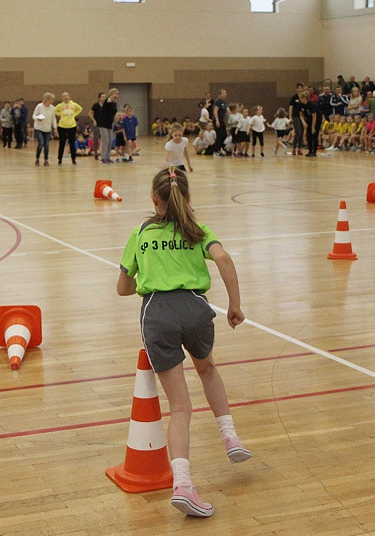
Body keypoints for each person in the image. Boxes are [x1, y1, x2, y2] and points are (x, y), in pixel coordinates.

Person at [116, 167, 251, 518]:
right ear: (188, 198)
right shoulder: (197, 229)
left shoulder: (140, 233)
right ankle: (230, 437)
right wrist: (235, 305)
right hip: (195, 309)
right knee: (207, 370)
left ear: (153, 199)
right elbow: (223, 258)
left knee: (180, 407)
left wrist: (146, 278)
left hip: (158, 315)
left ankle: (183, 485)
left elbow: (122, 288)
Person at [54, 92, 83, 166]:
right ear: (62, 98)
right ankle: (60, 159)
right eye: (64, 96)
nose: (65, 97)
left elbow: (80, 109)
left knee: (72, 143)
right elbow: (54, 110)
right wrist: (60, 114)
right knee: (62, 143)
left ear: (69, 96)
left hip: (72, 126)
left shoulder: (73, 104)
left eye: (66, 96)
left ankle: (73, 159)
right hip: (62, 126)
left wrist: (74, 115)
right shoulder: (60, 105)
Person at [32, 92, 57, 166]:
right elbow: (34, 116)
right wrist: (37, 118)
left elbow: (53, 118)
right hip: (39, 128)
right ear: (47, 99)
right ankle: (37, 158)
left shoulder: (52, 107)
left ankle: (46, 160)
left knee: (46, 145)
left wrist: (55, 128)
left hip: (48, 129)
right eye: (52, 99)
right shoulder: (39, 106)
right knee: (41, 143)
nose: (53, 101)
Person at [98, 88, 119, 164]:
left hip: (110, 124)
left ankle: (108, 158)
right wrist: (112, 97)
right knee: (105, 140)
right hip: (103, 123)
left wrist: (116, 122)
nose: (117, 95)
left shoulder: (114, 103)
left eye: (117, 94)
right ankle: (103, 158)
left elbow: (114, 114)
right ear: (111, 94)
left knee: (110, 141)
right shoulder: (107, 101)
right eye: (115, 94)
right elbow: (109, 100)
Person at [88, 92, 106, 160]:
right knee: (96, 139)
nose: (104, 98)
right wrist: (94, 120)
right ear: (99, 98)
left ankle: (104, 154)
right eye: (103, 97)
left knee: (105, 139)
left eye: (105, 96)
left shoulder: (107, 105)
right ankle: (96, 154)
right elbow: (89, 113)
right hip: (97, 125)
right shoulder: (96, 105)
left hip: (104, 125)